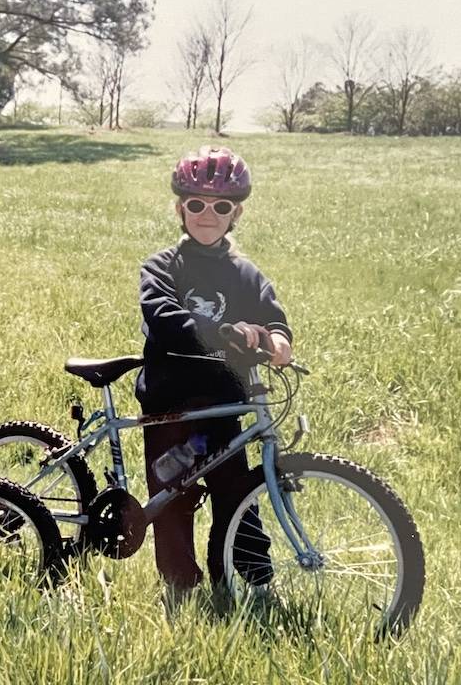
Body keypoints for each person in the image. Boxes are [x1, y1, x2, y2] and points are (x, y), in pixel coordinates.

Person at [136, 145, 292, 595]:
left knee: (237, 494)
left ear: (236, 213)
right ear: (180, 208)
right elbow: (164, 319)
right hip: (171, 408)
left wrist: (278, 340)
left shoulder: (246, 273)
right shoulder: (163, 266)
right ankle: (179, 588)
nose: (208, 214)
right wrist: (224, 331)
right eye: (196, 204)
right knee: (172, 499)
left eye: (221, 206)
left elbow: (273, 316)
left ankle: (249, 580)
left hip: (222, 406)